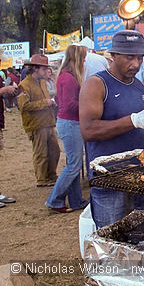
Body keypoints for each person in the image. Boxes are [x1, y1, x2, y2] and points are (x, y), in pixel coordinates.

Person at [79, 30, 144, 228]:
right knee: (111, 233)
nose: (135, 63)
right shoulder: (96, 84)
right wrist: (133, 120)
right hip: (108, 174)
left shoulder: (143, 88)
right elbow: (88, 130)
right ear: (113, 55)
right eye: (129, 57)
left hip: (141, 172)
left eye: (140, 57)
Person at [45, 45, 89, 213]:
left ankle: (76, 200)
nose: (85, 62)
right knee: (74, 165)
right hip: (70, 123)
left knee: (74, 164)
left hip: (69, 122)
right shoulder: (69, 78)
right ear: (77, 59)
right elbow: (70, 104)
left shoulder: (65, 76)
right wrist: (88, 105)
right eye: (83, 58)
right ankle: (54, 201)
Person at [17, 54, 60, 187]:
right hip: (36, 124)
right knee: (41, 152)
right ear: (35, 69)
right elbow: (23, 106)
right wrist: (45, 103)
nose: (46, 71)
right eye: (43, 68)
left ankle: (51, 175)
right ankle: (41, 179)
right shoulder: (24, 85)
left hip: (48, 122)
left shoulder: (42, 82)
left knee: (54, 151)